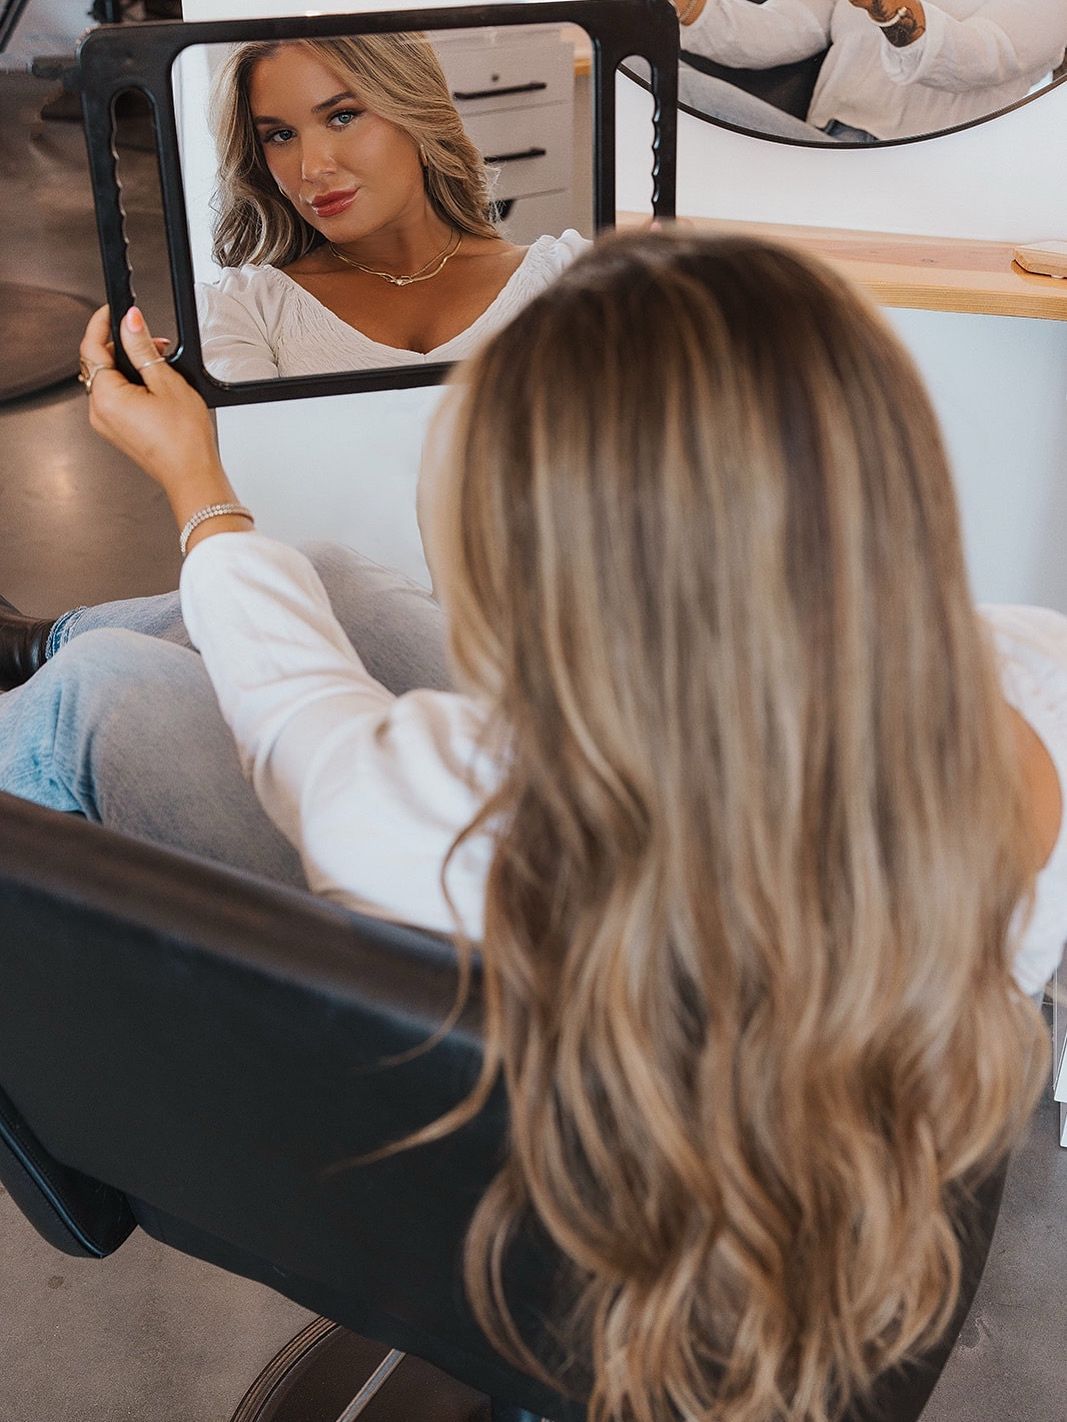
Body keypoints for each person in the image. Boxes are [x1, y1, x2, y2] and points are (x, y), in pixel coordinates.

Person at [0, 230, 1058, 1422]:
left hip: (539, 1209)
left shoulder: (498, 811)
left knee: (101, 704)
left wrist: (197, 486)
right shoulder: (1026, 669)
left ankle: (42, 679)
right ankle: (43, 638)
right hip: (827, 1184)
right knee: (335, 580)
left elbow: (304, 734)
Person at [197, 35, 587, 379]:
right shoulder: (245, 311)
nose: (312, 168)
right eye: (280, 135)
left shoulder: (570, 276)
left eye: (342, 116)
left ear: (418, 117)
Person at [670, 0, 1067, 143]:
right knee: (635, 71)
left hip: (925, 177)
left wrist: (889, 7)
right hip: (817, 149)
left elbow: (979, 57)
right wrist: (685, 7)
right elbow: (786, 27)